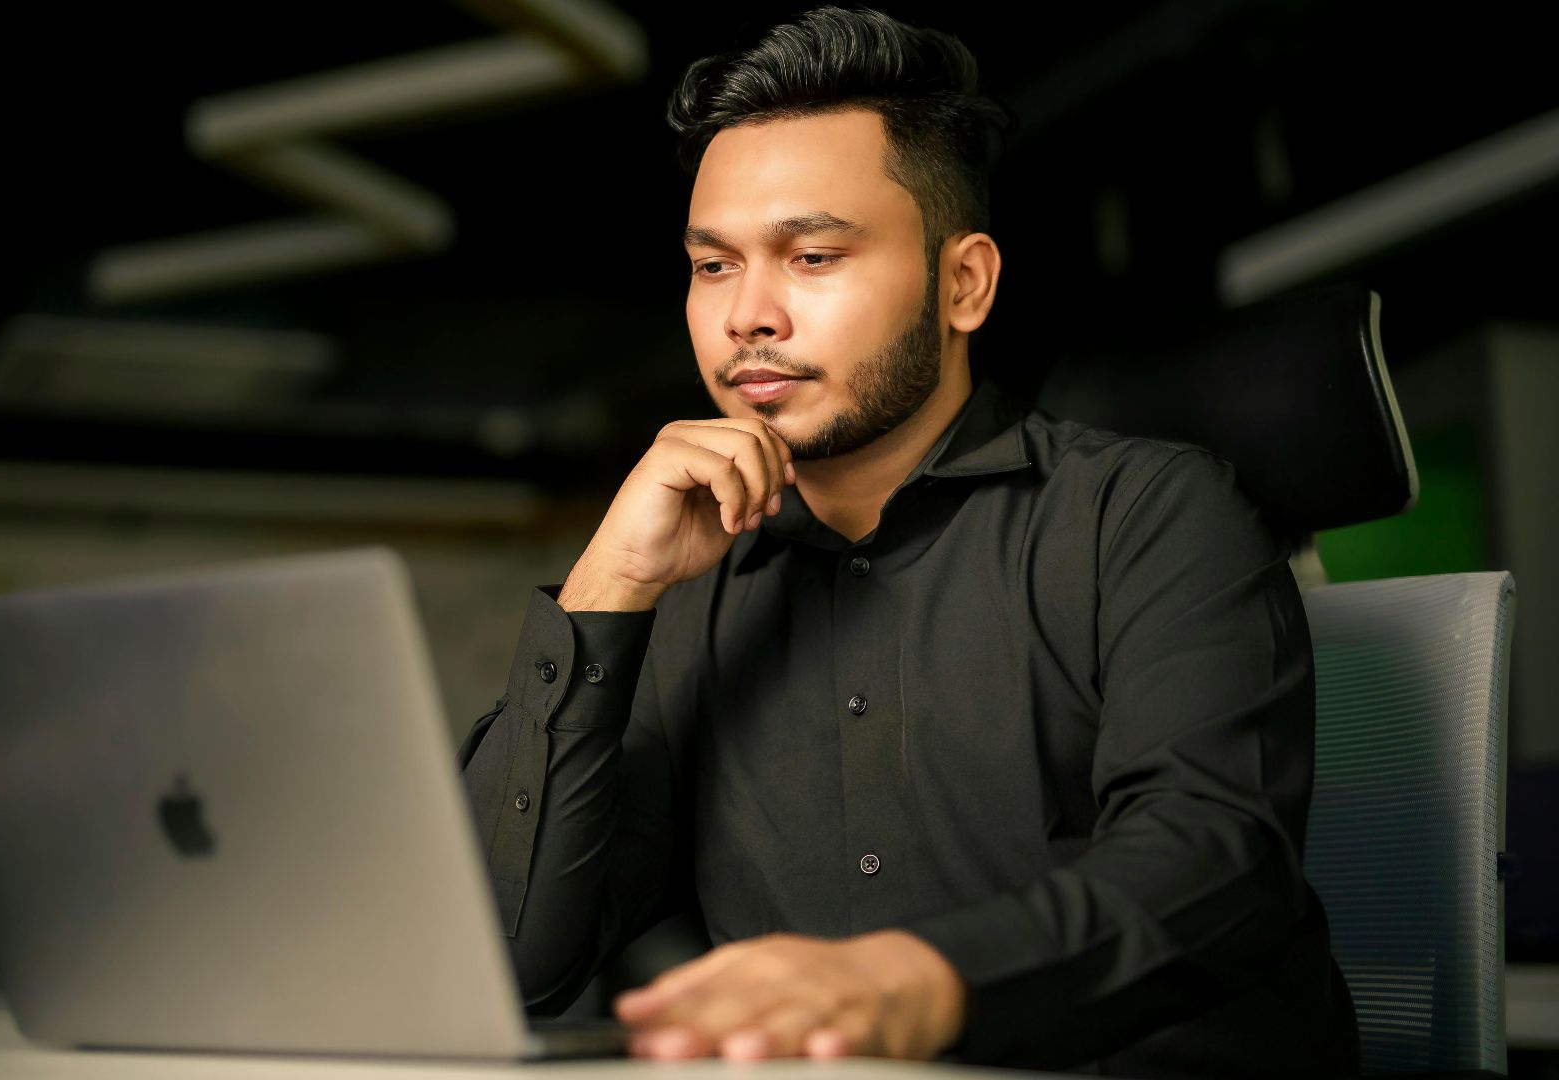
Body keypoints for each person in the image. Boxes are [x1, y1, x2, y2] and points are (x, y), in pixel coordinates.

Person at [457, 7, 1359, 1075]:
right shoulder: (687, 589)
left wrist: (913, 982)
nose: (749, 314)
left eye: (814, 255)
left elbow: (1217, 866)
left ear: (964, 283)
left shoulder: (1148, 517)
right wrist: (609, 584)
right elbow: (509, 965)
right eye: (713, 266)